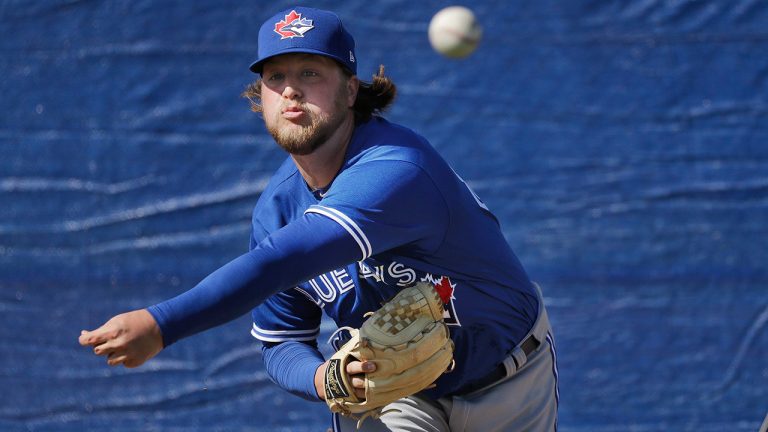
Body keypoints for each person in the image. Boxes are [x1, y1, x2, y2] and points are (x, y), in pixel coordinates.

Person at [79, 6, 559, 431]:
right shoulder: (277, 210)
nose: (290, 90)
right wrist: (323, 378)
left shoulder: (396, 169)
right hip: (397, 398)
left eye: (311, 73)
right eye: (275, 76)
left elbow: (282, 262)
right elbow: (281, 341)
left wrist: (162, 324)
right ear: (260, 94)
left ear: (351, 90)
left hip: (509, 382)